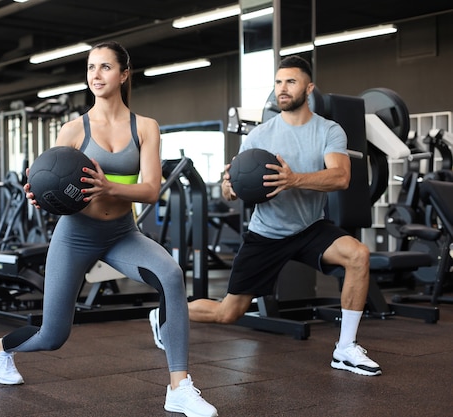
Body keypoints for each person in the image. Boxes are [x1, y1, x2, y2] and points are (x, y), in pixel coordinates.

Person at [0, 41, 218, 417]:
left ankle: (179, 386)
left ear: (124, 74)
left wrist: (110, 186)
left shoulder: (145, 127)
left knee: (172, 275)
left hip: (122, 234)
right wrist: (38, 195)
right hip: (75, 235)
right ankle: (1, 349)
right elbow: (49, 183)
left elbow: (151, 190)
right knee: (52, 336)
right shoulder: (73, 129)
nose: (96, 75)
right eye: (91, 67)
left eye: (106, 67)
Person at [151, 55, 381, 377]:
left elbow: (340, 177)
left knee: (358, 255)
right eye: (278, 83)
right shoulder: (259, 136)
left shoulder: (329, 130)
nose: (281, 90)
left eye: (291, 82)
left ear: (309, 87)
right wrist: (231, 186)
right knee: (228, 313)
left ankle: (345, 349)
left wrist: (293, 179)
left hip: (310, 227)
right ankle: (163, 315)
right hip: (267, 233)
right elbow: (232, 190)